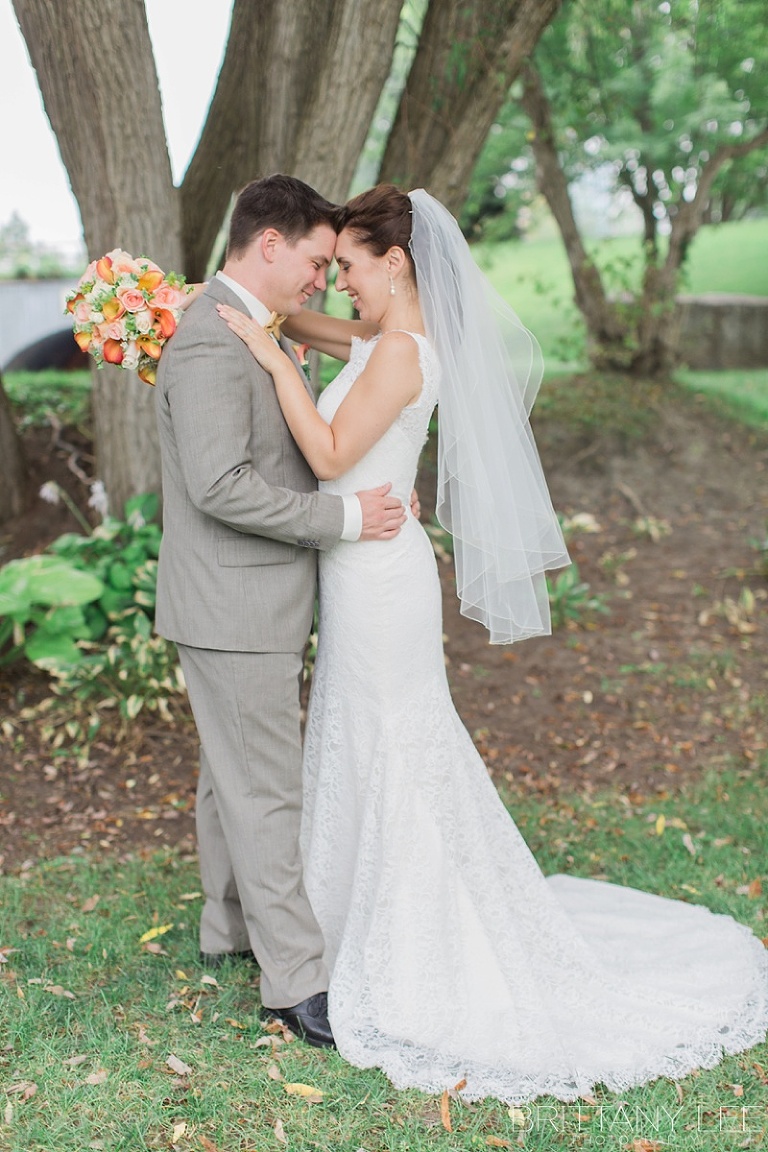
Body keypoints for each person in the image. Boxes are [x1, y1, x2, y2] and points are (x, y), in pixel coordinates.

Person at [217, 183, 768, 1104]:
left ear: (397, 263)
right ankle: (347, 919)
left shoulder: (399, 354)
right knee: (366, 733)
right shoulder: (392, 340)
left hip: (380, 582)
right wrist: (272, 317)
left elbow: (325, 456)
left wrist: (271, 366)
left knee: (394, 739)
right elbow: (330, 336)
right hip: (368, 570)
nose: (340, 285)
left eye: (350, 268)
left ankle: (412, 933)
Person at [154, 175, 409, 1049]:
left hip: (241, 599)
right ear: (269, 242)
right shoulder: (210, 346)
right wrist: (342, 518)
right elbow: (220, 484)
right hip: (234, 602)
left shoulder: (245, 326)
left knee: (231, 773)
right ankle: (295, 983)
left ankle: (226, 928)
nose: (317, 279)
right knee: (265, 791)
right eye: (310, 260)